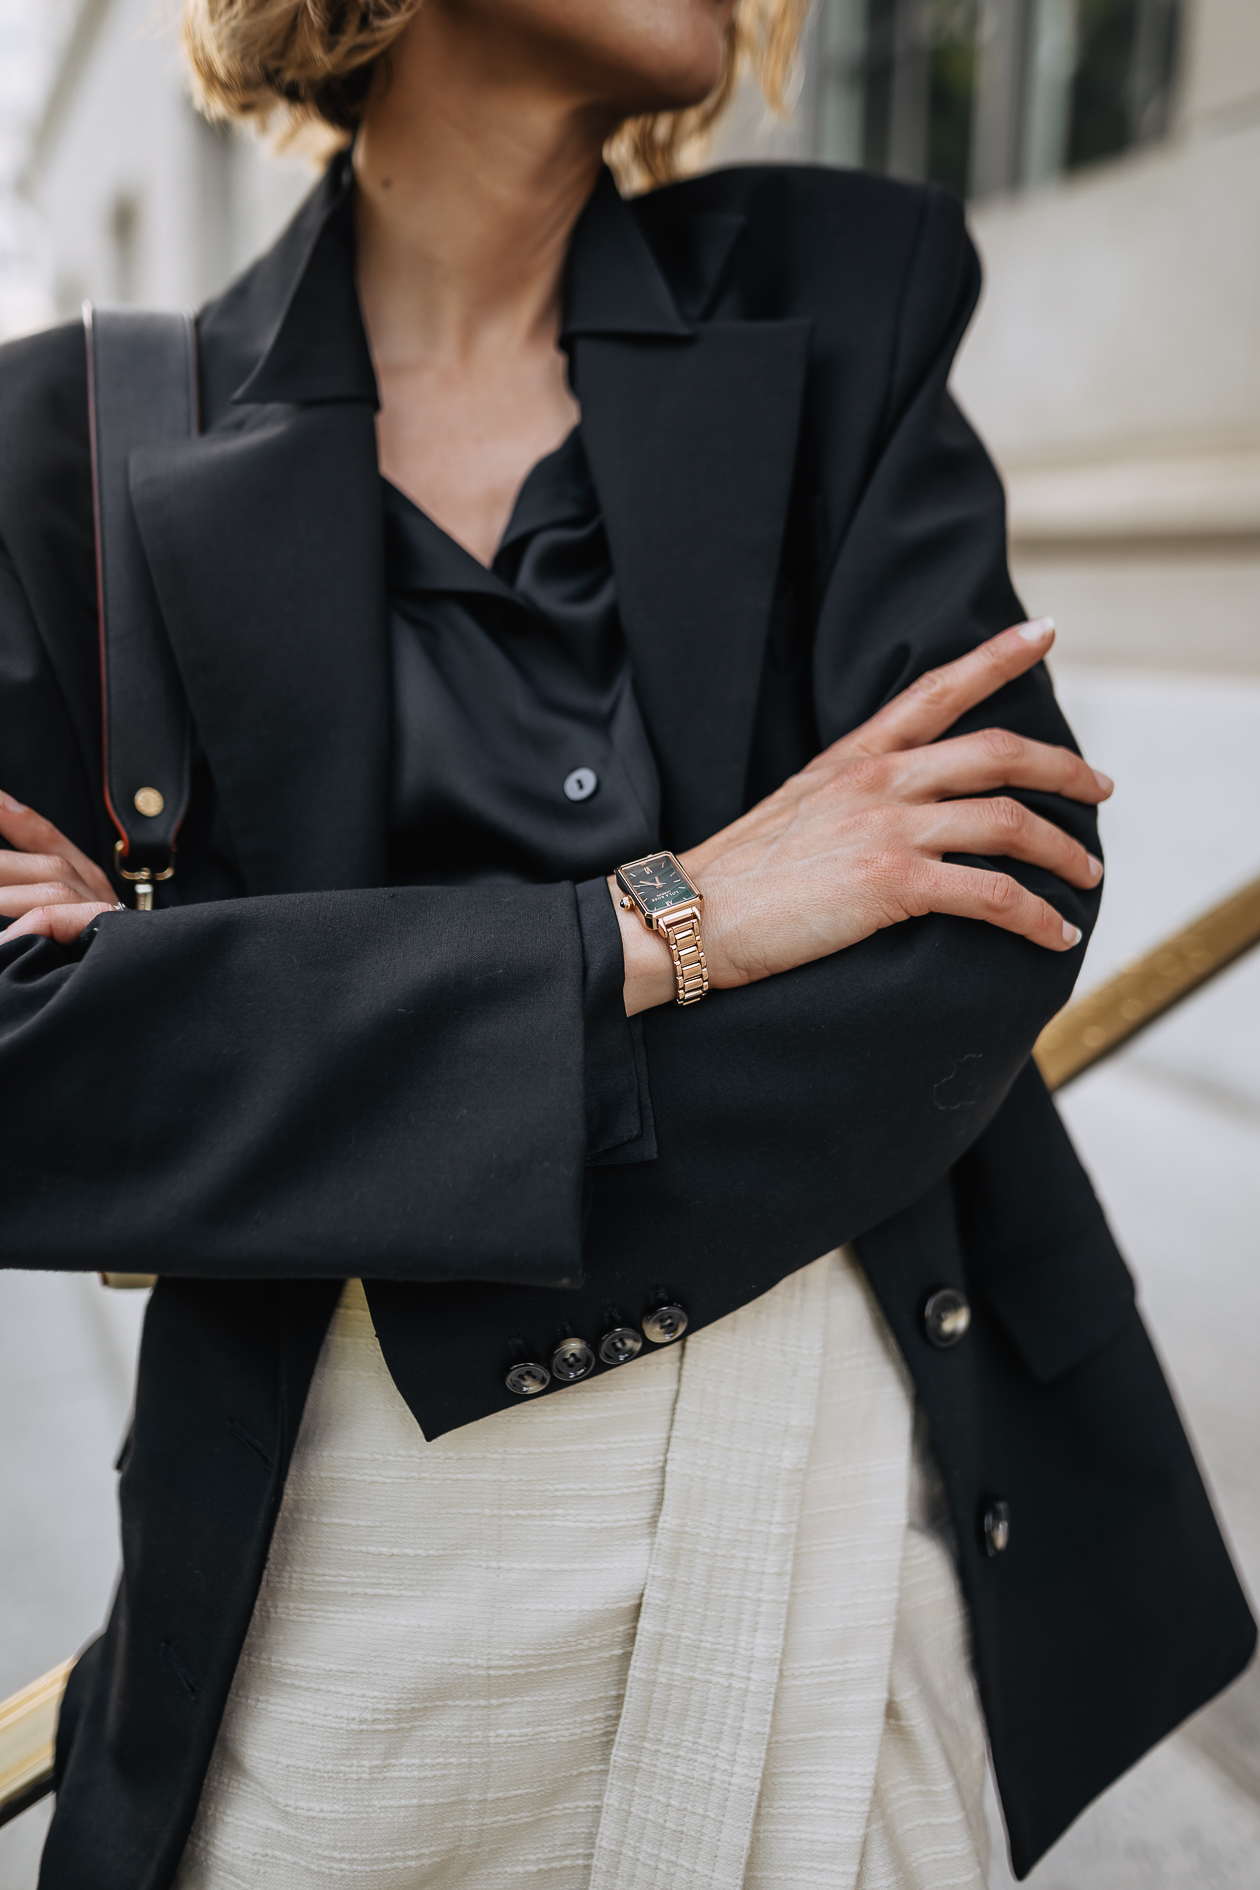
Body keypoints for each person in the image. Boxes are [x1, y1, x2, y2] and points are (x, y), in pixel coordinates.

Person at [0, 1, 1252, 1886]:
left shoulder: (849, 295)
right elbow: (30, 1087)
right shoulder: (66, 443)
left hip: (837, 1497)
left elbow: (984, 917)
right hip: (346, 1584)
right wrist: (677, 920)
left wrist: (271, 1070)